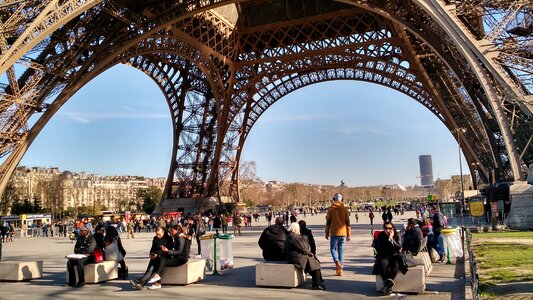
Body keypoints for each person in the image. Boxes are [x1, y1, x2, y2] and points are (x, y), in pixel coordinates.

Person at [147, 225, 192, 289]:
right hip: (178, 256)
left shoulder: (180, 238)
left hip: (182, 258)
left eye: (172, 230)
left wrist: (168, 251)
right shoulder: (177, 237)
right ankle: (157, 279)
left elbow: (179, 251)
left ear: (177, 230)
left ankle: (158, 280)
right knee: (163, 258)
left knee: (163, 263)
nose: (171, 231)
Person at [285, 223, 325, 290]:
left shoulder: (291, 235)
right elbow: (302, 248)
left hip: (296, 256)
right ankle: (316, 284)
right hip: (296, 257)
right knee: (315, 264)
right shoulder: (293, 236)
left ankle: (317, 282)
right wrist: (310, 254)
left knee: (313, 263)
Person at [374, 221, 404, 296]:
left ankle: (386, 286)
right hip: (384, 255)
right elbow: (380, 248)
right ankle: (388, 286)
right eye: (386, 228)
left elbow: (399, 247)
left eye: (390, 228)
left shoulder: (397, 234)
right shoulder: (381, 235)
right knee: (383, 264)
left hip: (395, 255)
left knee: (396, 264)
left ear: (393, 228)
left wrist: (391, 239)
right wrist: (393, 247)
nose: (388, 230)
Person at [325, 193, 351, 276]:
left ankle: (337, 263)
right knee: (341, 250)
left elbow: (328, 222)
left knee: (333, 249)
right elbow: (348, 222)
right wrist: (349, 233)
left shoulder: (331, 209)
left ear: (334, 199)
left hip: (334, 232)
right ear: (341, 200)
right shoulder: (345, 209)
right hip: (343, 232)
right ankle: (341, 268)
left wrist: (326, 232)